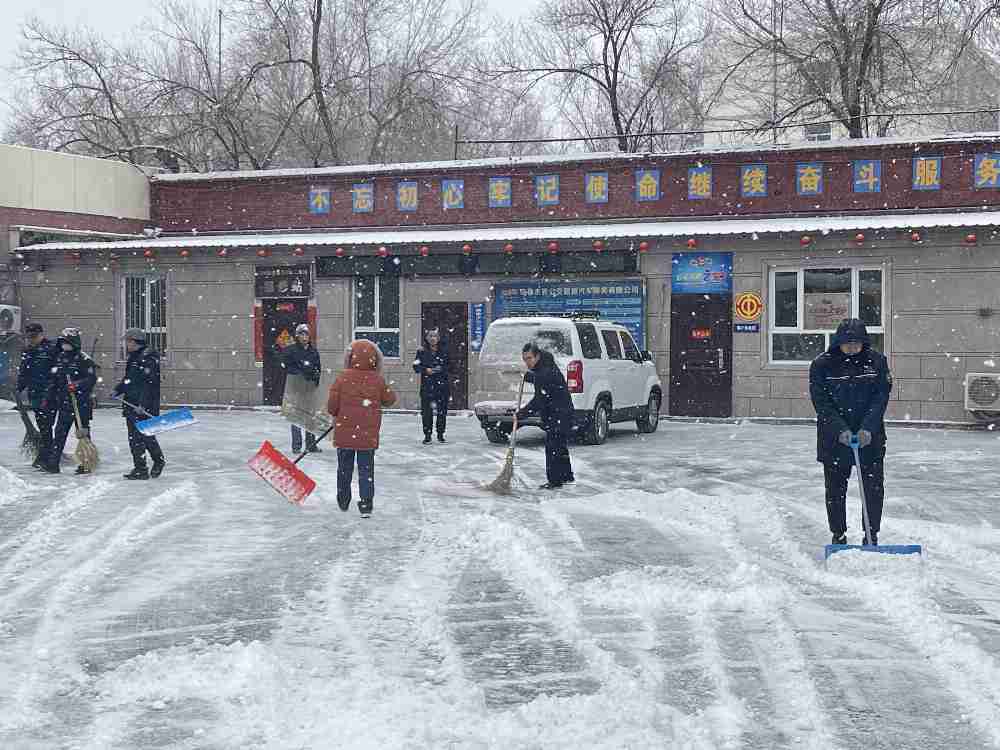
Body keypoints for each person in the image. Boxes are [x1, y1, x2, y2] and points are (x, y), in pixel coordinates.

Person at [809, 318, 892, 546]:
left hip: (870, 439)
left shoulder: (877, 362)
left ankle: (871, 535)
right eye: (848, 344)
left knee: (873, 489)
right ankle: (838, 534)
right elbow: (821, 402)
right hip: (834, 439)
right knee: (835, 490)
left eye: (857, 343)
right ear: (838, 342)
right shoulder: (822, 365)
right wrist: (840, 429)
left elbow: (881, 398)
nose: (853, 348)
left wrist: (868, 428)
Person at [327, 340, 397, 518]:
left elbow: (331, 407)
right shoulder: (377, 380)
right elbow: (390, 400)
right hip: (367, 434)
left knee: (344, 468)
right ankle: (366, 503)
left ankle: (343, 499)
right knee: (366, 470)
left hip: (344, 433)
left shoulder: (342, 377)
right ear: (375, 359)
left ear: (351, 357)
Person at [515, 342, 575, 490]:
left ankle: (554, 481)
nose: (527, 362)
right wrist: (530, 377)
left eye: (529, 358)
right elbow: (542, 379)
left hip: (558, 413)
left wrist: (522, 414)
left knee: (552, 447)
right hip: (562, 411)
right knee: (559, 445)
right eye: (524, 359)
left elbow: (538, 400)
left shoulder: (544, 373)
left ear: (537, 356)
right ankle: (566, 476)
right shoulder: (545, 364)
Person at [43, 327, 97, 475]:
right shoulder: (61, 358)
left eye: (67, 342)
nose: (64, 345)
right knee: (60, 433)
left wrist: (77, 385)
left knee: (83, 433)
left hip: (81, 403)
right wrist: (48, 398)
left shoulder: (84, 359)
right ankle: (53, 463)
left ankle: (86, 463)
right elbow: (54, 381)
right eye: (62, 342)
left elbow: (91, 379)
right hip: (65, 403)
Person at [113, 328, 165, 480]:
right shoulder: (134, 357)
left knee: (146, 436)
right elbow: (129, 379)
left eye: (128, 341)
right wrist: (118, 390)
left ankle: (158, 461)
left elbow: (150, 383)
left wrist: (143, 404)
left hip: (144, 405)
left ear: (135, 341)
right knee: (134, 438)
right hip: (131, 403)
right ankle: (140, 469)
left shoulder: (149, 357)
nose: (126, 345)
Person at [16, 322, 58, 468]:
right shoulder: (28, 351)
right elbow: (24, 372)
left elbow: (57, 373)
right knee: (42, 425)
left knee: (47, 425)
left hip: (49, 394)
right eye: (29, 337)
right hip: (34, 394)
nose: (31, 340)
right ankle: (47, 454)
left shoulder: (51, 349)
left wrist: (51, 389)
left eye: (34, 337)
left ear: (41, 334)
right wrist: (18, 387)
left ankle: (47, 455)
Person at [279, 323, 322, 453]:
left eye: (306, 334)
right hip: (296, 387)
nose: (304, 337)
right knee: (296, 417)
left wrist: (315, 378)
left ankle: (311, 445)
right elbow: (285, 366)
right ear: (297, 336)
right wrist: (298, 373)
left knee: (310, 417)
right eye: (302, 334)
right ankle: (296, 446)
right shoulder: (290, 350)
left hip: (309, 388)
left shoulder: (313, 351)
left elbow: (318, 368)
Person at [412, 327, 449, 444]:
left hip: (442, 386)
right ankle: (427, 435)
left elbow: (451, 366)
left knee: (442, 412)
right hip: (427, 387)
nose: (433, 338)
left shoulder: (444, 350)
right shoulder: (422, 351)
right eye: (430, 336)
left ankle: (440, 434)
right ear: (427, 338)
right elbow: (416, 367)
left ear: (439, 338)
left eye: (435, 336)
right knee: (426, 413)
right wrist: (425, 370)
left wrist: (441, 369)